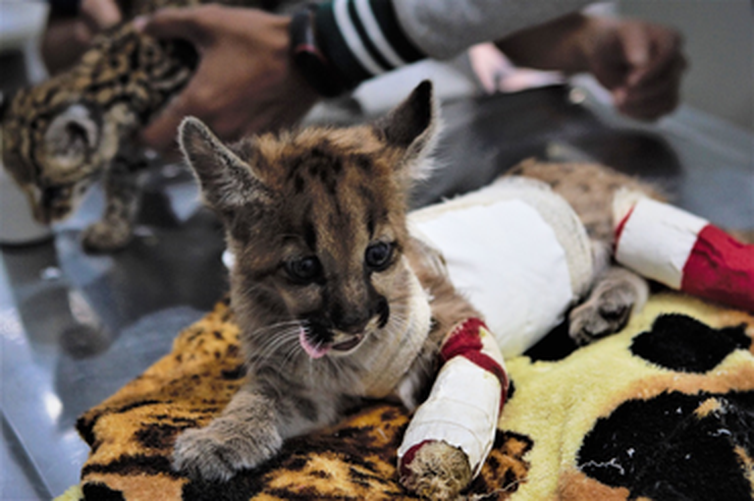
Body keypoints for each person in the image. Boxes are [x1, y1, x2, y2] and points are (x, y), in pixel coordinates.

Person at [40, 0, 687, 150]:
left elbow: (470, 16)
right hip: (205, 172)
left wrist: (590, 40)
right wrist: (93, 31)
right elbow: (58, 44)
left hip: (417, 150)